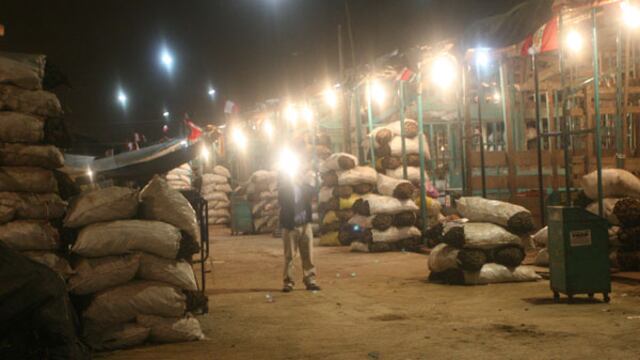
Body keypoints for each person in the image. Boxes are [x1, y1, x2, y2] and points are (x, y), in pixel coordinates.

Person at [278, 155, 320, 293]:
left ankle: (310, 280)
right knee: (290, 256)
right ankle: (288, 282)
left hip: (305, 225)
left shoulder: (305, 187)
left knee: (308, 255)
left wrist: (316, 175)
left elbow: (315, 191)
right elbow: (282, 201)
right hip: (290, 226)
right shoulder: (284, 188)